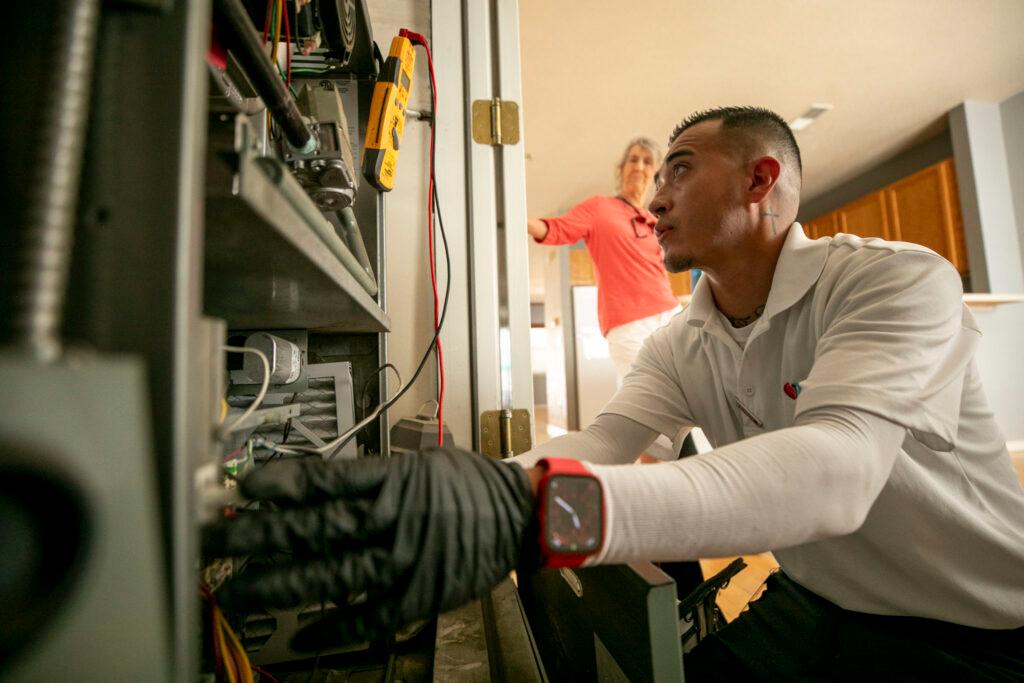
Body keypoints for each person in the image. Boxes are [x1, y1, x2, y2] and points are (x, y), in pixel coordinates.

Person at [205, 107, 1024, 679]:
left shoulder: (893, 280)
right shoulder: (681, 338)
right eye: (653, 175)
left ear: (760, 178)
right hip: (813, 599)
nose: (655, 197)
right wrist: (490, 484)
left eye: (679, 170)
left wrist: (539, 511)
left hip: (974, 633)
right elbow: (600, 441)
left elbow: (837, 472)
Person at [527, 137, 680, 381]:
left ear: (656, 174)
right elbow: (557, 229)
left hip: (669, 313)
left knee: (690, 390)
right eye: (633, 159)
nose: (639, 166)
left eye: (647, 162)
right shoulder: (600, 207)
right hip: (627, 322)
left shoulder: (656, 219)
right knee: (647, 394)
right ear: (621, 169)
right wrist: (516, 217)